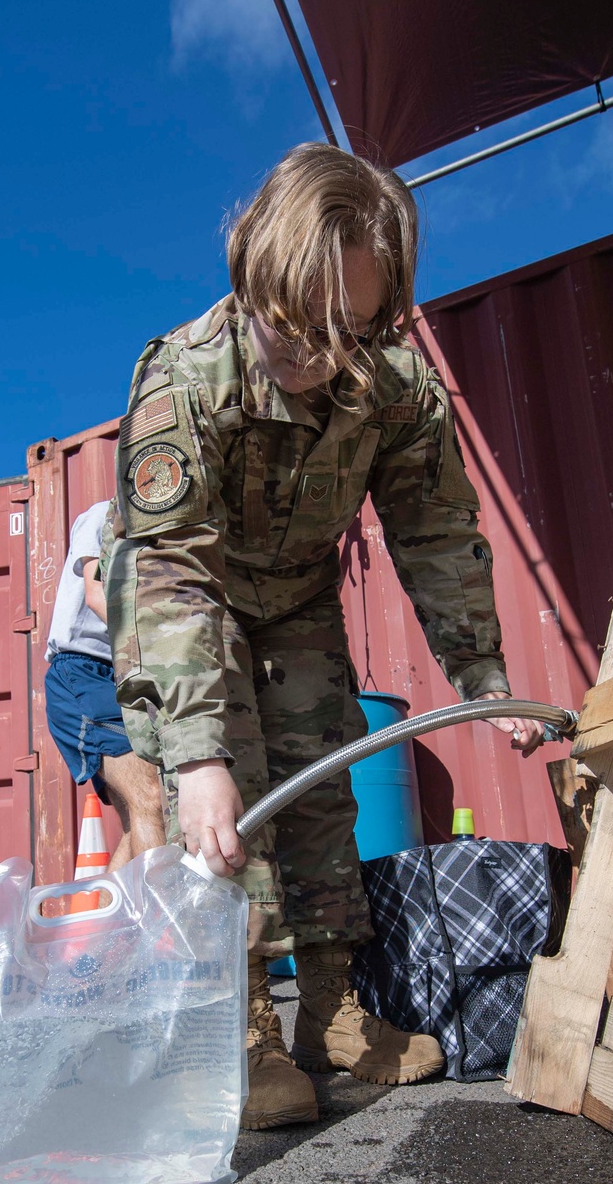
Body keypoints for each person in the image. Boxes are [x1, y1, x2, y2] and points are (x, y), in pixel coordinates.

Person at [105, 143, 543, 1130]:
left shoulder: (393, 390)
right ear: (253, 269)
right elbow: (172, 571)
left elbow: (434, 530)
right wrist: (202, 755)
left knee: (321, 788)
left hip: (297, 594)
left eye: (345, 328)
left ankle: (333, 1014)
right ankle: (248, 1025)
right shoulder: (185, 379)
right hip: (192, 592)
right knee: (224, 809)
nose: (310, 354)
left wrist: (478, 669)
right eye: (292, 322)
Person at [44, 500, 165, 870]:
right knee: (152, 800)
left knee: (138, 821)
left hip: (118, 672)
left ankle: (109, 927)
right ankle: (164, 927)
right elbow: (98, 597)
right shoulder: (103, 514)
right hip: (82, 672)